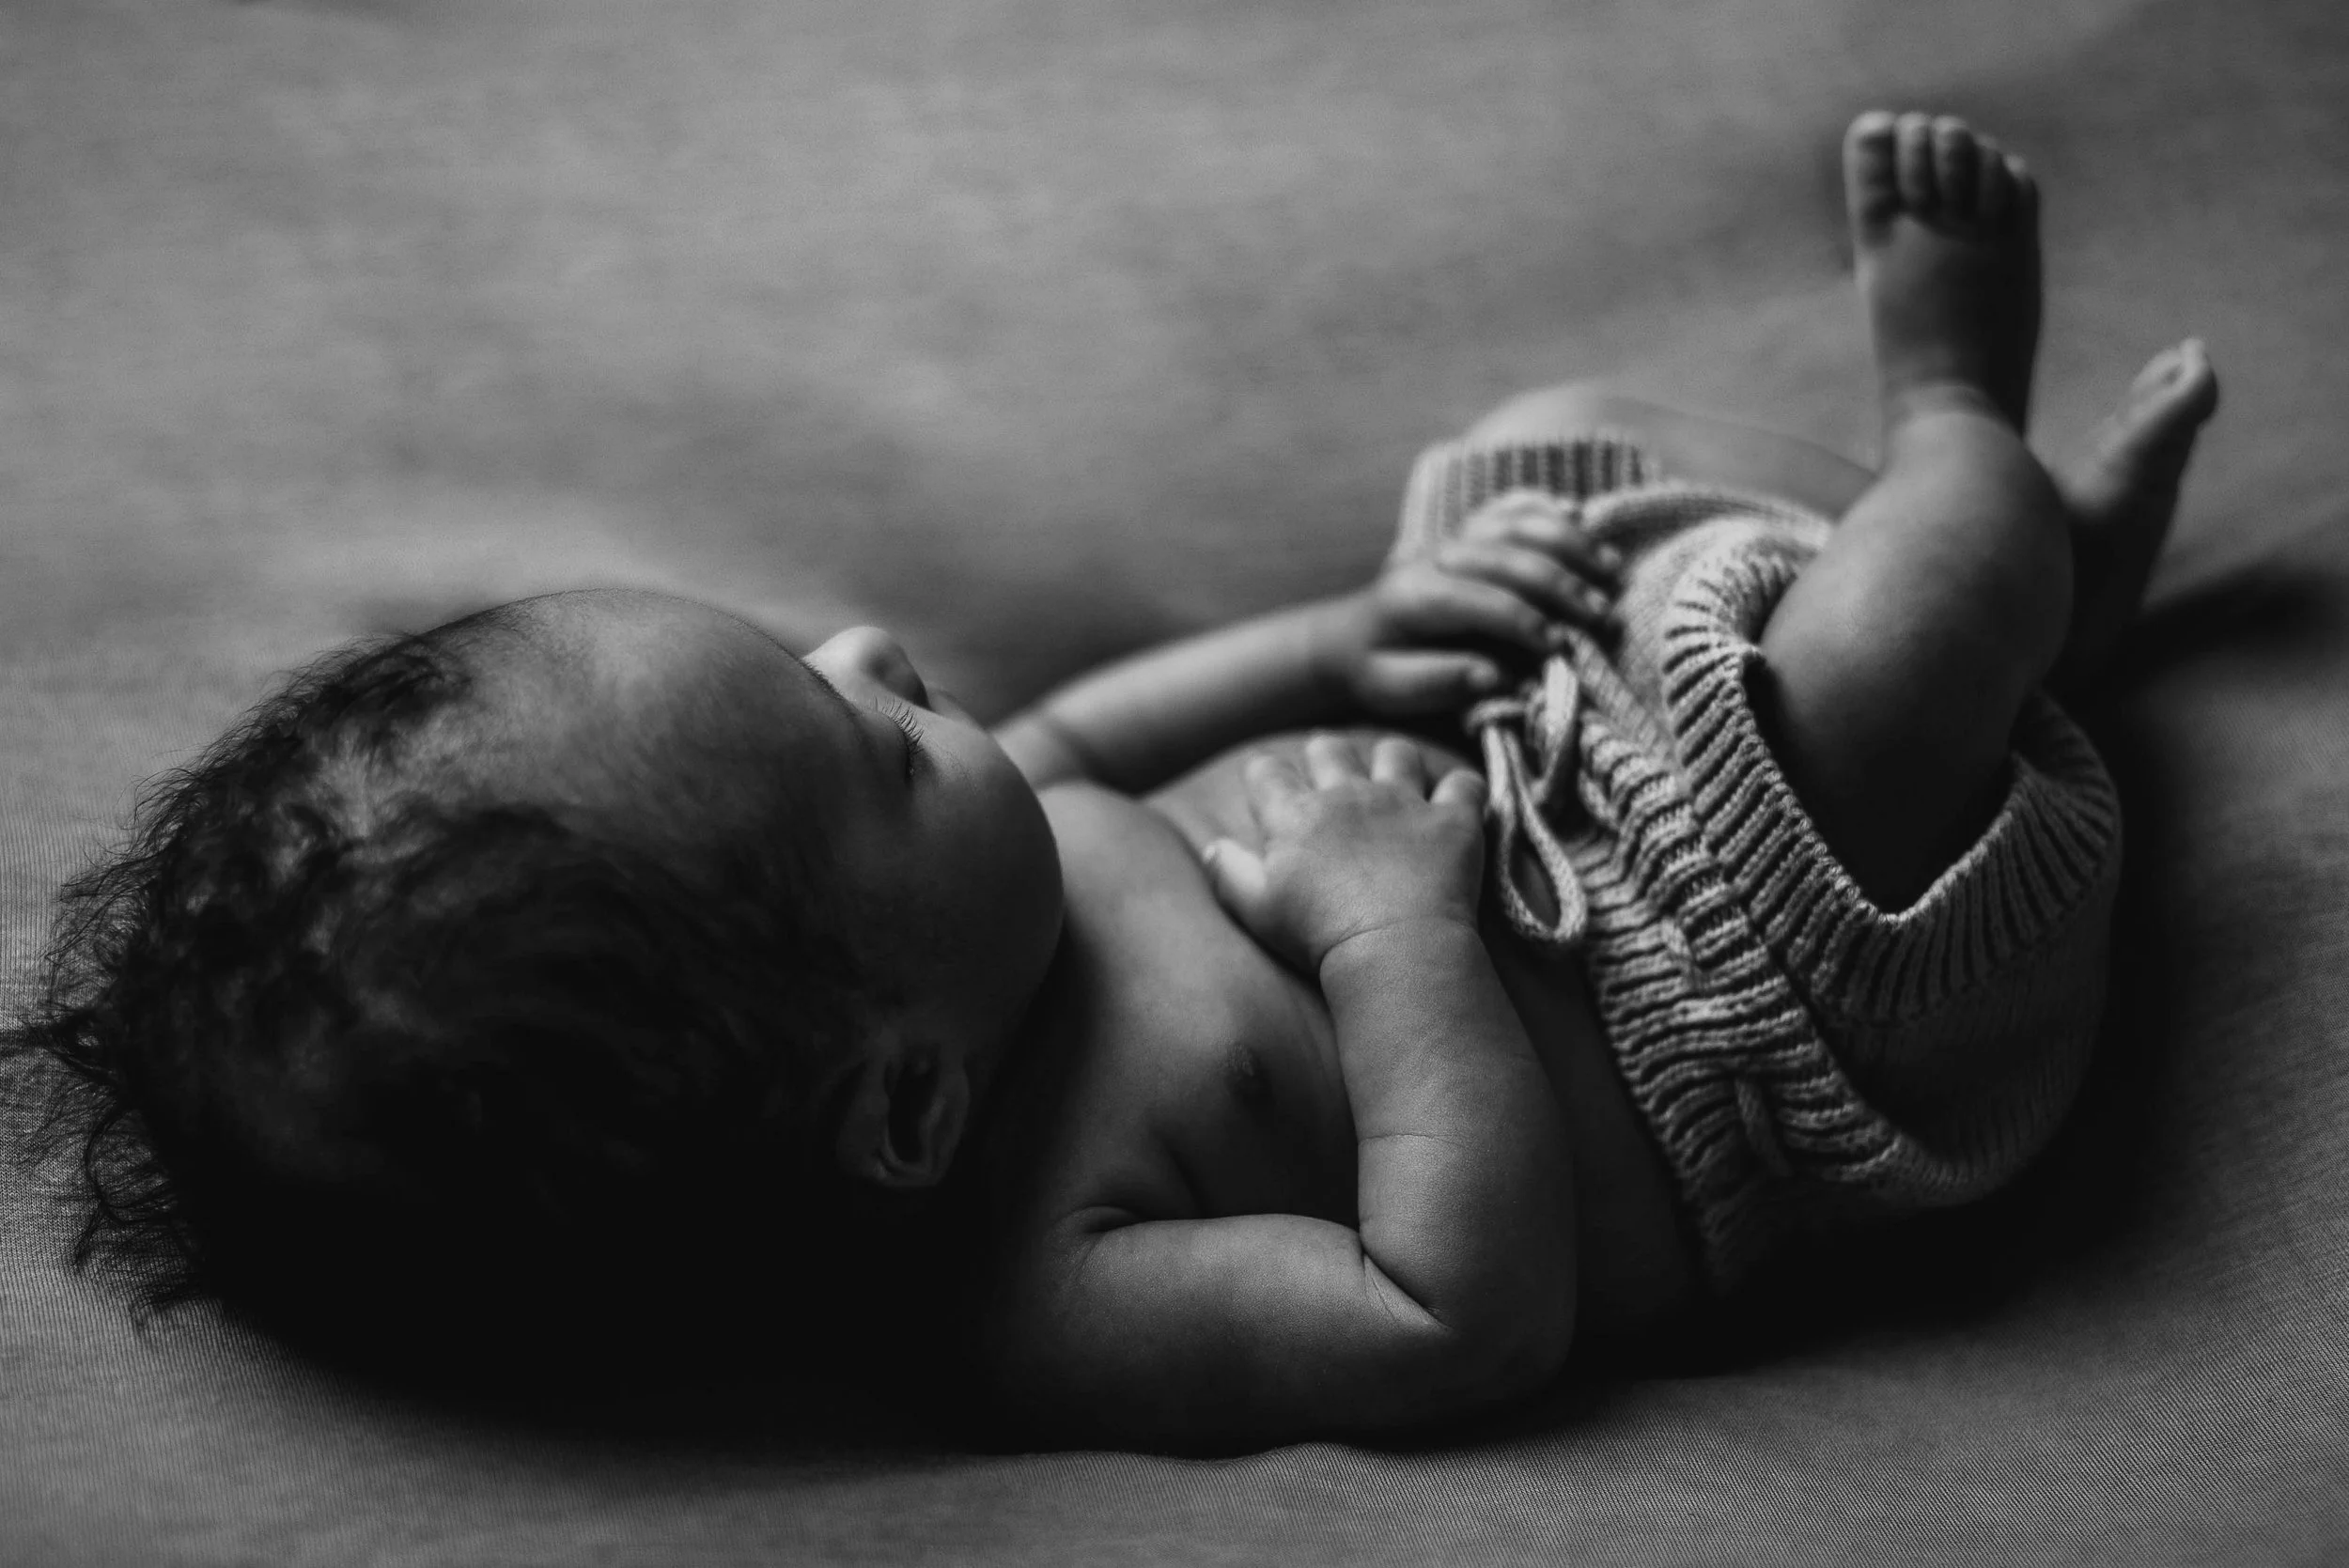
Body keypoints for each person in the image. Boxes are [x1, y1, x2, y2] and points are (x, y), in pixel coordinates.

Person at [11, 113, 2218, 1448]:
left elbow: (1084, 744)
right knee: (1894, 635)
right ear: (902, 1109)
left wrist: (1350, 644)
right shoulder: (1053, 1292)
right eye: (869, 739)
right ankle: (1959, 419)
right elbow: (1453, 1317)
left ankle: (2039, 608)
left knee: (1535, 452)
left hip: (1516, 762)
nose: (885, 656)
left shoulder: (963, 923)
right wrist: (1385, 940)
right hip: (1718, 1002)